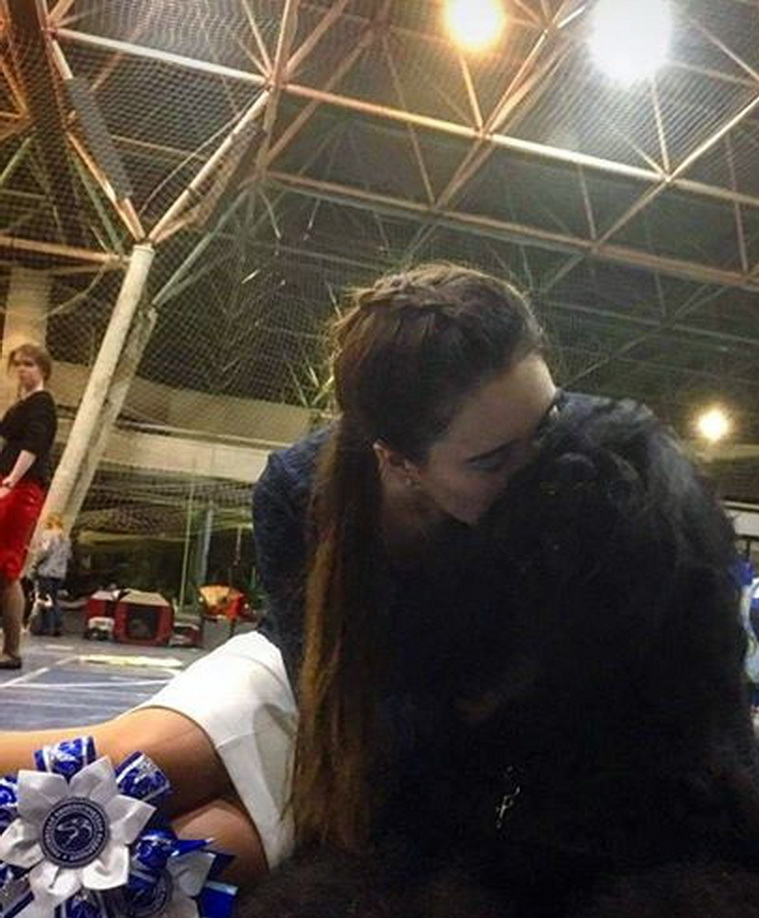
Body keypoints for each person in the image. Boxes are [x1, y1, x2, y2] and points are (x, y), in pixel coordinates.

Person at [0, 264, 558, 883]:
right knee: (125, 765)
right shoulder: (295, 488)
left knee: (184, 864)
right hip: (320, 692)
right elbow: (314, 677)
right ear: (400, 461)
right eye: (493, 461)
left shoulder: (581, 486)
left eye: (549, 425)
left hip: (440, 749)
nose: (541, 468)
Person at [0, 344, 58, 669]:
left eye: (29, 364)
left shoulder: (42, 404)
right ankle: (10, 649)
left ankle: (12, 651)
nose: (22, 369)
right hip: (10, 485)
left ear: (43, 369)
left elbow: (33, 445)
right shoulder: (23, 404)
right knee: (3, 572)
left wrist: (11, 480)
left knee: (7, 569)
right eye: (18, 364)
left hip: (21, 489)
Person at [32, 512, 71, 636]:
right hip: (60, 573)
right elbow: (68, 556)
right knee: (53, 599)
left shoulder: (47, 534)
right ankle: (57, 626)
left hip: (46, 571)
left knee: (44, 600)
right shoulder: (66, 538)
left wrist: (35, 561)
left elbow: (44, 551)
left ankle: (45, 627)